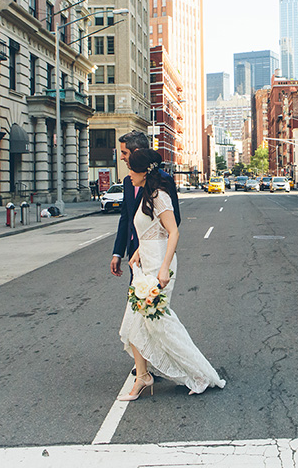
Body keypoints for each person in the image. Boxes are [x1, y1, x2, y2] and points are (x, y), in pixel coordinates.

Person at [117, 148, 225, 400]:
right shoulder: (146, 194)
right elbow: (150, 232)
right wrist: (137, 253)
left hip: (159, 266)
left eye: (132, 168)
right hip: (145, 264)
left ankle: (200, 374)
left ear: (144, 171)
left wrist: (164, 267)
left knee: (160, 323)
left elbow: (173, 232)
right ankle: (143, 376)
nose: (129, 173)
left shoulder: (159, 196)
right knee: (135, 324)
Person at [111, 131, 180, 281]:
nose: (121, 157)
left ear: (136, 153)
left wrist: (155, 249)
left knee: (149, 300)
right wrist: (118, 252)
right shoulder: (129, 181)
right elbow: (126, 218)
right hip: (135, 253)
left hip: (156, 255)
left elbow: (173, 222)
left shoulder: (162, 183)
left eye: (124, 152)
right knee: (138, 299)